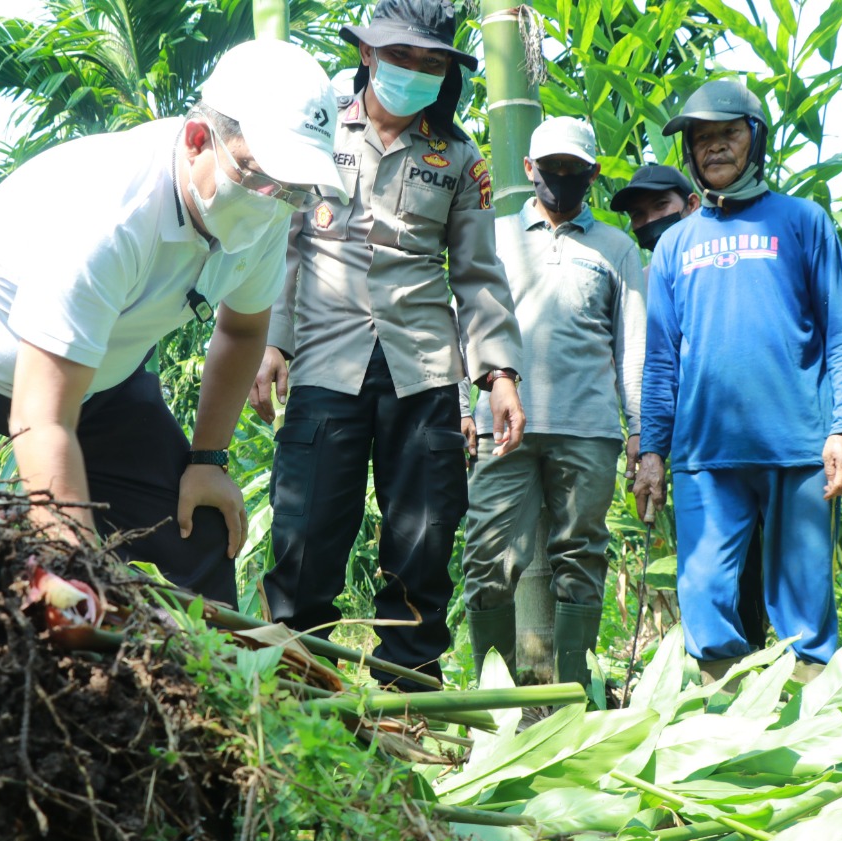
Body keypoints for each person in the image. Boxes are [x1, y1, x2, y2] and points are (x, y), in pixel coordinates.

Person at [0, 40, 346, 607]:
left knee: (202, 529)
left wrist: (208, 460)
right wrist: (79, 562)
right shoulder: (112, 211)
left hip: (97, 381)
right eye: (262, 178)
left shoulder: (260, 211)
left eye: (293, 190)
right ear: (198, 140)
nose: (275, 202)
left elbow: (242, 331)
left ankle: (221, 690)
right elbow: (41, 418)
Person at [249, 0, 525, 687]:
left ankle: (406, 705)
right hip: (325, 361)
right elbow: (284, 244)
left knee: (423, 548)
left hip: (424, 369)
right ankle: (294, 696)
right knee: (306, 536)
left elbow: (478, 274)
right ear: (368, 54)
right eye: (402, 56)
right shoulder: (316, 132)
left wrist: (500, 375)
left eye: (432, 62)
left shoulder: (460, 157)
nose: (415, 72)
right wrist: (270, 342)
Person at [632, 77, 842, 683]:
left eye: (727, 134)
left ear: (755, 138)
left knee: (803, 603)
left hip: (798, 447)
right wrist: (653, 452)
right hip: (705, 454)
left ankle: (811, 723)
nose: (713, 147)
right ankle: (728, 718)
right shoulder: (674, 247)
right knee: (705, 590)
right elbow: (660, 360)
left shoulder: (802, 221)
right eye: (701, 138)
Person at [460, 117, 644, 695]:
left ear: (592, 174)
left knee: (581, 559)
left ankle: (574, 700)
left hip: (587, 429)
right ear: (528, 169)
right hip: (500, 427)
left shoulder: (616, 248)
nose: (561, 179)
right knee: (487, 560)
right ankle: (496, 706)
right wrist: (458, 406)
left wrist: (640, 431)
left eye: (574, 170)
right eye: (551, 168)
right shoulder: (489, 236)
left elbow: (631, 344)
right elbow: (460, 322)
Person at [611, 164, 767, 651]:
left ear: (692, 205)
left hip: (753, 432)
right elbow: (648, 363)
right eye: (639, 214)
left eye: (661, 207)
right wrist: (649, 443)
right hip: (686, 444)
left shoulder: (726, 259)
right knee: (708, 567)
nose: (649, 221)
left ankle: (765, 660)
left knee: (760, 563)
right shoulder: (638, 280)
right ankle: (721, 667)